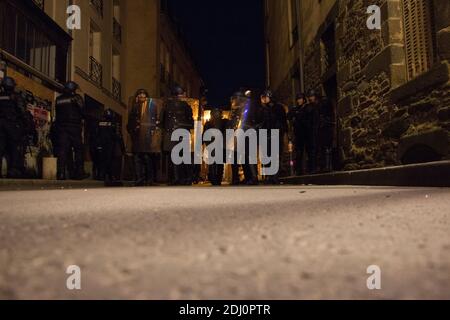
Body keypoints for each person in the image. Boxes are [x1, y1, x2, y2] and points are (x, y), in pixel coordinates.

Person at [160, 86, 194, 186]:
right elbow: (162, 121)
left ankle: (185, 178)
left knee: (182, 157)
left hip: (181, 133)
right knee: (174, 157)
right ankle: (176, 178)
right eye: (182, 94)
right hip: (171, 133)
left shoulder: (186, 107)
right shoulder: (167, 106)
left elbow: (191, 122)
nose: (184, 96)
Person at [54, 81, 88, 180]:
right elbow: (83, 112)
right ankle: (79, 173)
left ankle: (60, 173)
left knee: (63, 151)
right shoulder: (76, 98)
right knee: (78, 150)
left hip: (61, 128)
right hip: (74, 127)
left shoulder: (59, 99)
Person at [127, 89, 160, 186]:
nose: (142, 96)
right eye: (140, 94)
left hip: (147, 137)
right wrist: (133, 130)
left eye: (143, 94)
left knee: (147, 158)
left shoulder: (151, 106)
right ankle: (139, 178)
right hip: (136, 137)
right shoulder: (134, 107)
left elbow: (155, 120)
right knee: (137, 158)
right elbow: (130, 122)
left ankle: (149, 179)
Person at [258, 90, 287, 184]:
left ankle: (275, 176)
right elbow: (260, 122)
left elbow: (283, 121)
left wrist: (284, 132)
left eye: (265, 97)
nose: (263, 99)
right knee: (267, 156)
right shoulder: (262, 109)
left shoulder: (278, 107)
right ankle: (268, 176)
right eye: (263, 98)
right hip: (265, 134)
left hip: (276, 133)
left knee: (275, 155)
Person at [0, 76, 25, 178]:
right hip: (12, 125)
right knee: (14, 147)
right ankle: (13, 170)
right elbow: (22, 111)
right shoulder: (16, 96)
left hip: (0, 124)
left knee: (0, 147)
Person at [95, 109, 125, 186]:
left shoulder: (99, 123)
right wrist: (123, 148)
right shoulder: (115, 124)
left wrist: (97, 145)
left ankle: (101, 175)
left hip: (102, 145)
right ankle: (110, 176)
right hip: (111, 144)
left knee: (101, 161)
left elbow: (95, 135)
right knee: (111, 161)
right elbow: (118, 136)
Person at [307, 89, 334, 173]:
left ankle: (328, 166)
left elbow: (329, 113)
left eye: (312, 96)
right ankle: (322, 166)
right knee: (320, 147)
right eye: (310, 97)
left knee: (327, 146)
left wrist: (326, 121)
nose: (310, 98)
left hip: (326, 127)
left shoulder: (324, 102)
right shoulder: (312, 106)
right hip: (318, 128)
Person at [203, 108, 229, 186]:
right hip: (214, 145)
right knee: (215, 163)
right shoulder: (209, 123)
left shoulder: (223, 123)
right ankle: (215, 179)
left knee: (217, 163)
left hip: (218, 145)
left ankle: (216, 179)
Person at [287, 93, 309, 175]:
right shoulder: (295, 109)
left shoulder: (307, 108)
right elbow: (288, 116)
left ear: (303, 99)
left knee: (309, 151)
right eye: (298, 99)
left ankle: (309, 168)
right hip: (298, 133)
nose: (299, 101)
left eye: (300, 99)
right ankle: (299, 170)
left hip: (306, 132)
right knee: (298, 152)